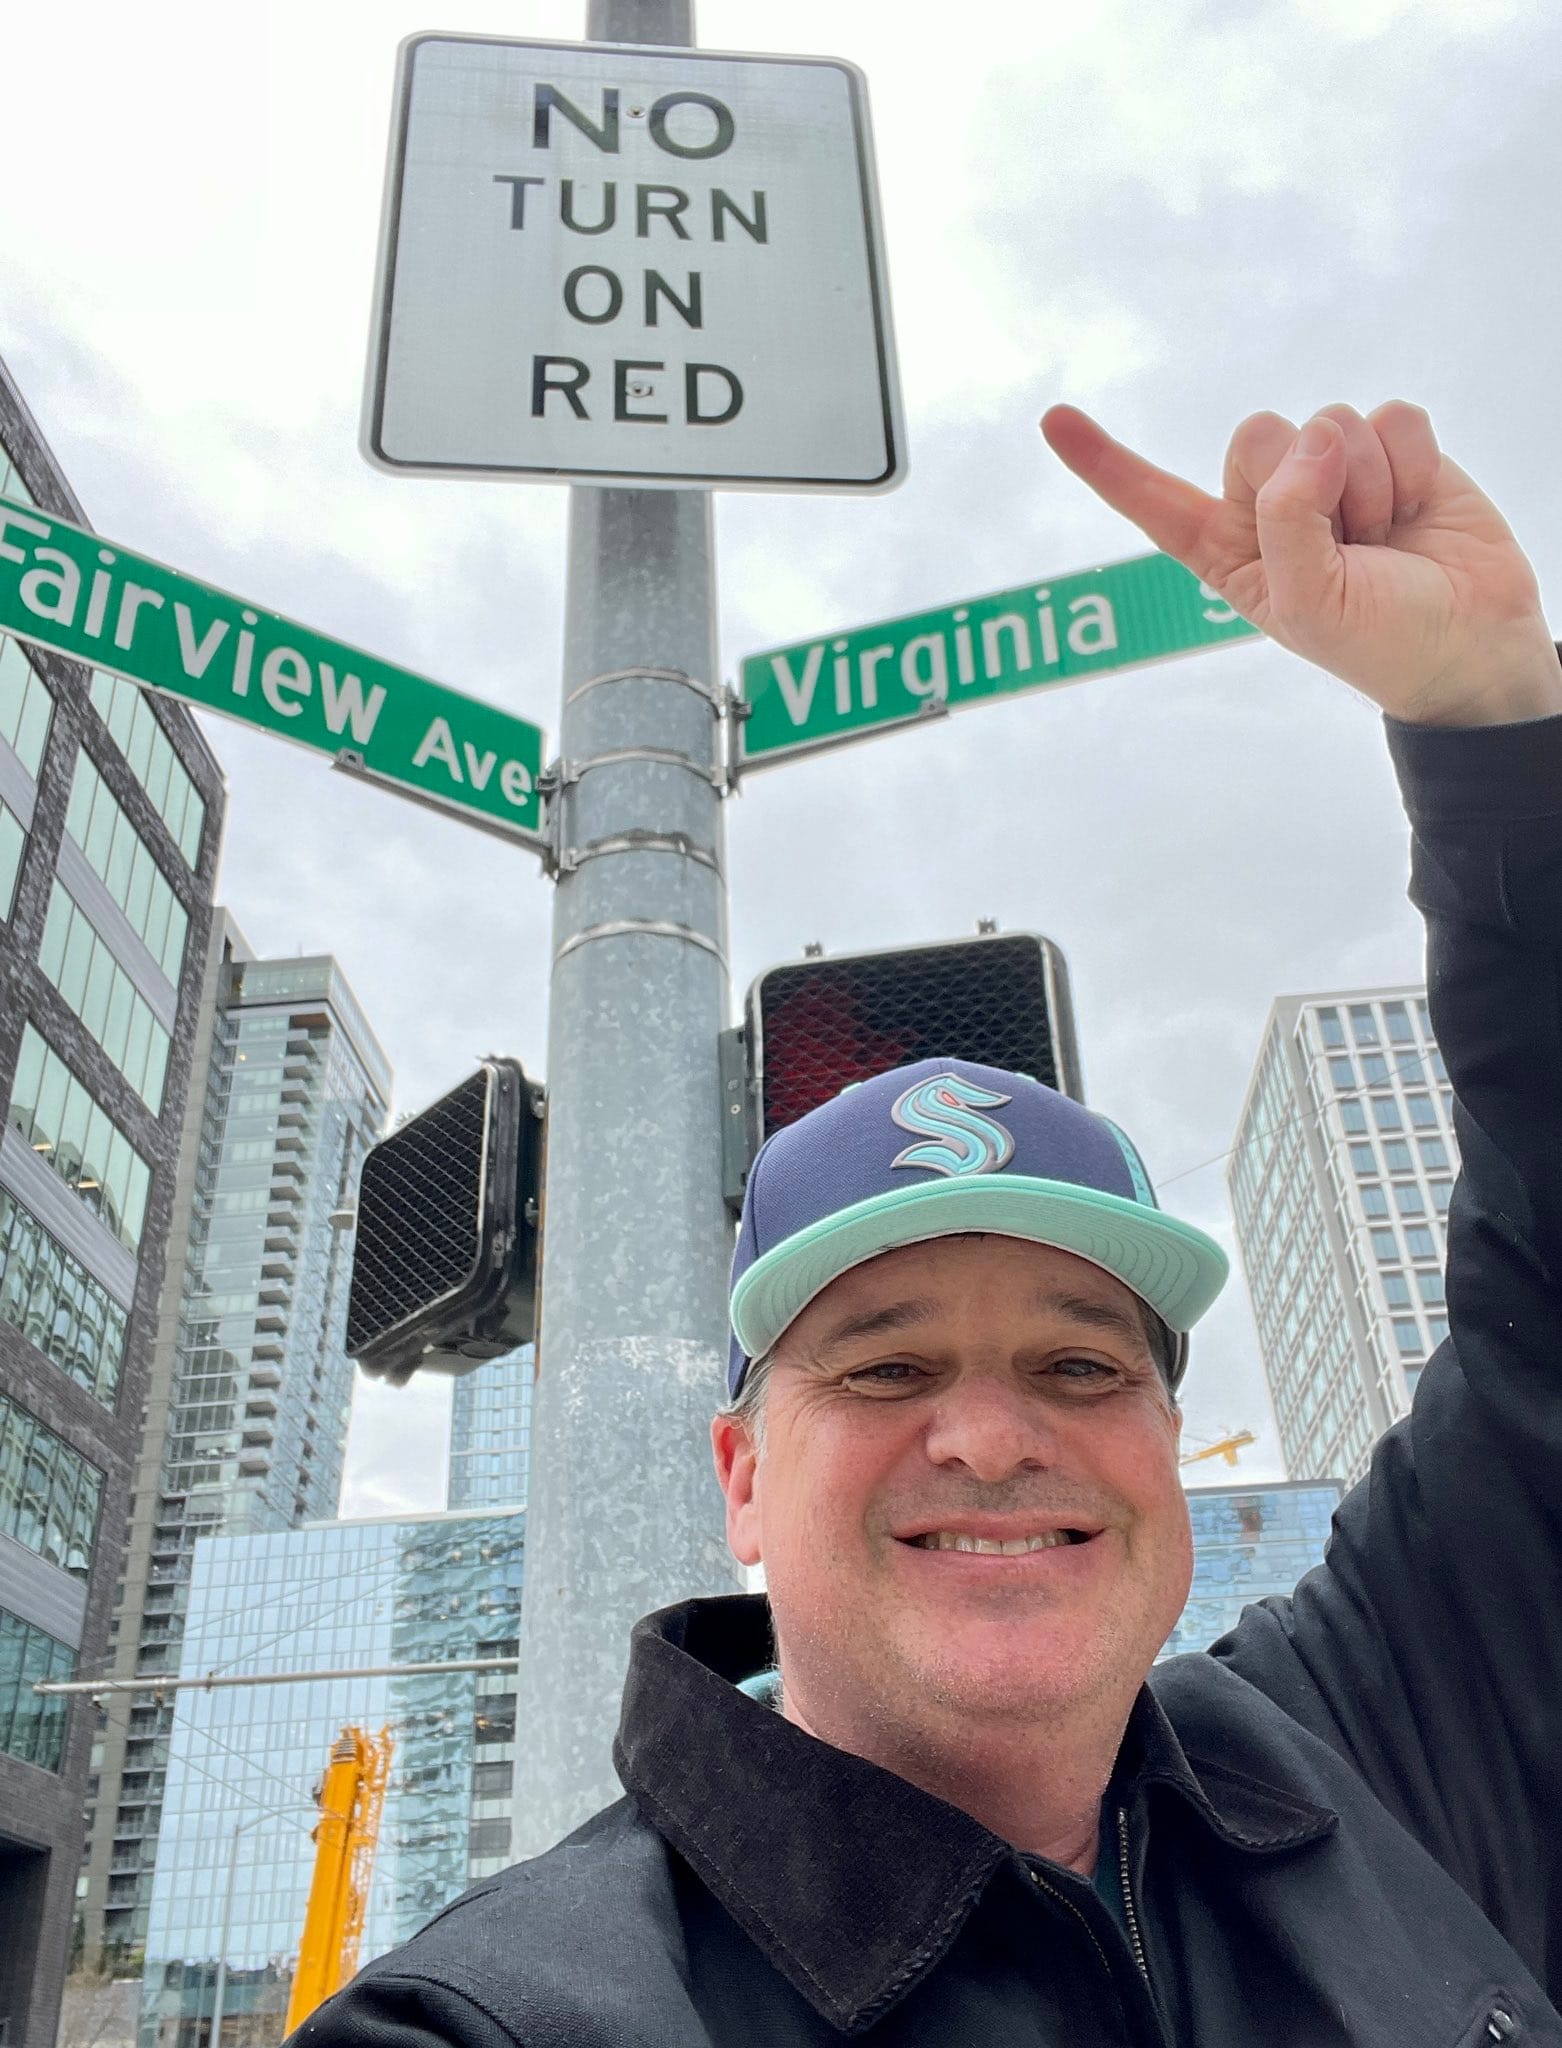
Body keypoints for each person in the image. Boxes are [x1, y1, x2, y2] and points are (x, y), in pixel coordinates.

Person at [297, 402, 1562, 2045]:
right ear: (741, 1481)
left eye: (1080, 1364)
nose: (987, 1435)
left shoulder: (1374, 1742)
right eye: (884, 1371)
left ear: (1169, 1441)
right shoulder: (497, 2023)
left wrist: (1489, 733)